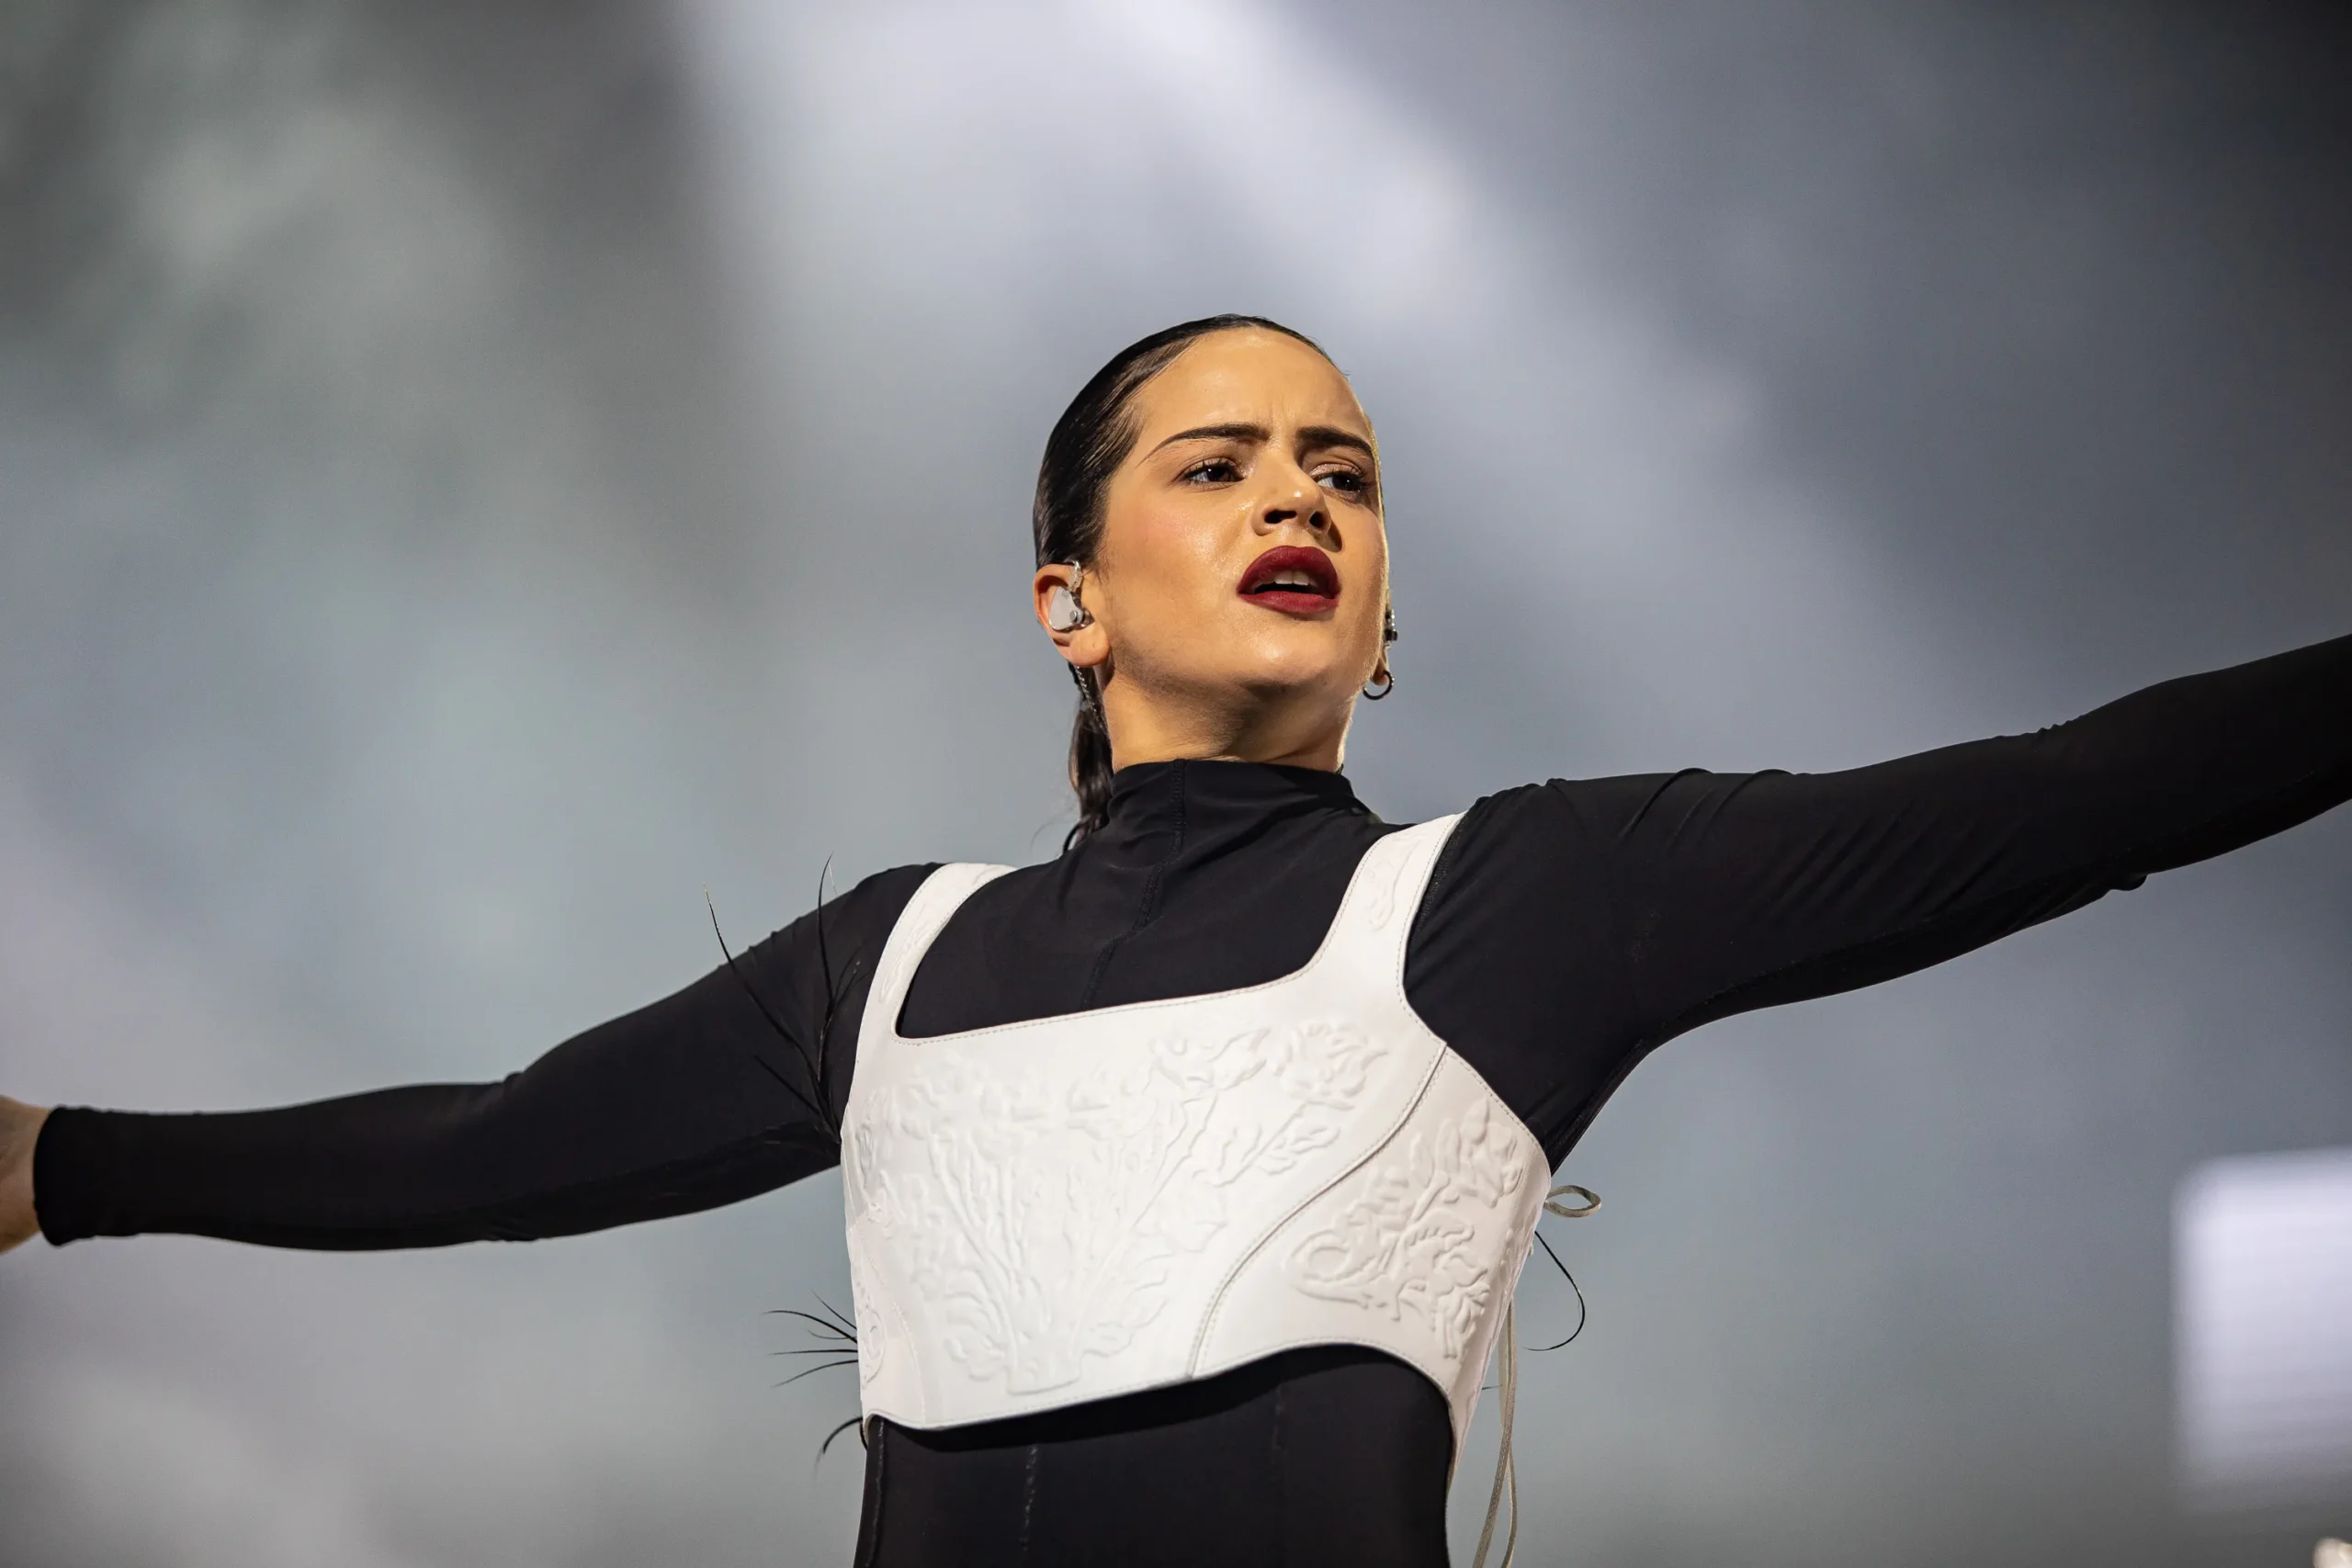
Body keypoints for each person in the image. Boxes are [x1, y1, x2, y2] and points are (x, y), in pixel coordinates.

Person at [1, 315, 2347, 1568]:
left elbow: (2070, 801)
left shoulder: (1524, 899)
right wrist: (51, 1161)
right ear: (1066, 599)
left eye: (1341, 468)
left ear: (1389, 620)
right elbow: (498, 1148)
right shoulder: (891, 960)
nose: (1299, 496)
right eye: (1215, 464)